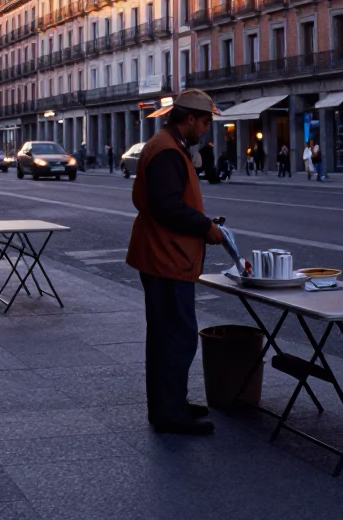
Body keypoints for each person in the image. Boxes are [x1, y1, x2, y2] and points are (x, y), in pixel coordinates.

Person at [126, 89, 226, 436]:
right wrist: (205, 227)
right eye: (204, 123)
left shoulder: (167, 144)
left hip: (164, 255)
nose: (206, 130)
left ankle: (171, 404)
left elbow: (168, 201)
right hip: (166, 258)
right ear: (188, 120)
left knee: (167, 336)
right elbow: (168, 206)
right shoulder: (168, 151)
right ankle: (170, 414)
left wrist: (203, 220)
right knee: (176, 337)